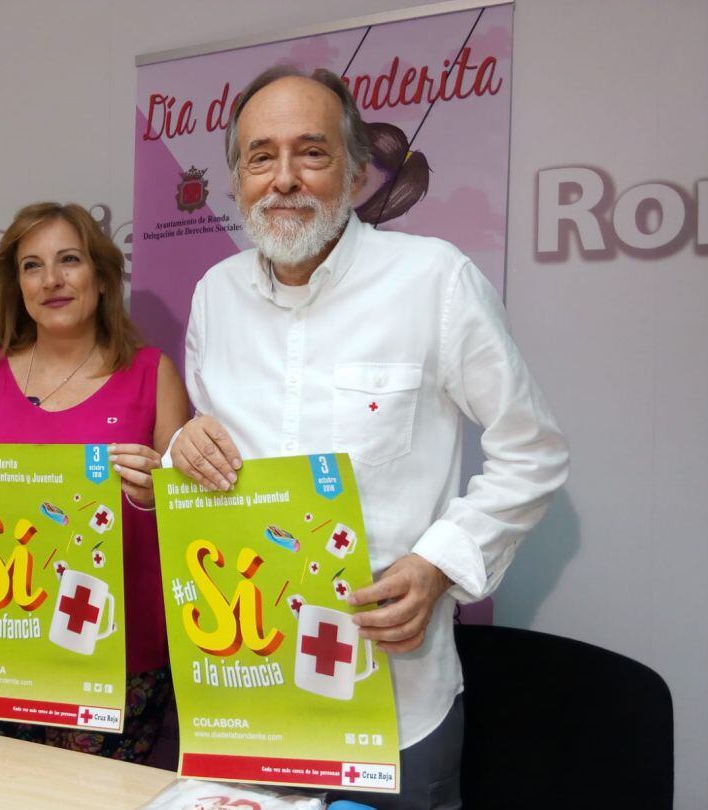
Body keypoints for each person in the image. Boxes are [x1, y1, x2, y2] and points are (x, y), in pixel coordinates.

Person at [169, 66, 570, 808]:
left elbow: (533, 452)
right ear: (235, 180)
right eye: (261, 156)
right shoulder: (213, 297)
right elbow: (210, 457)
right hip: (245, 696)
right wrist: (180, 450)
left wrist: (439, 565)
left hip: (393, 705)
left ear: (355, 174)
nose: (284, 178)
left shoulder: (435, 281)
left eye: (311, 153)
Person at [0, 201, 189, 763]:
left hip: (116, 651)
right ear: (18, 285)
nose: (52, 280)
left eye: (69, 260)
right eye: (32, 266)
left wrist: (159, 495)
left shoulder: (151, 372)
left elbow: (189, 516)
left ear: (102, 278)